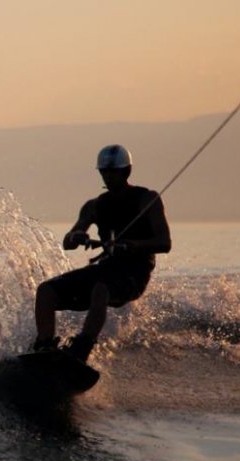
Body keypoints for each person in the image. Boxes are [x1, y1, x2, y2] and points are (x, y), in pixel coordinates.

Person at [31, 144, 171, 362]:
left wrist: (132, 245)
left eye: (112, 173)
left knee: (100, 289)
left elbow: (164, 242)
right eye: (104, 172)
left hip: (133, 274)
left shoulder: (147, 200)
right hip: (105, 269)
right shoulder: (95, 206)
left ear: (126, 172)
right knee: (46, 291)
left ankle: (81, 349)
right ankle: (44, 346)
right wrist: (76, 236)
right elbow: (68, 241)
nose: (107, 177)